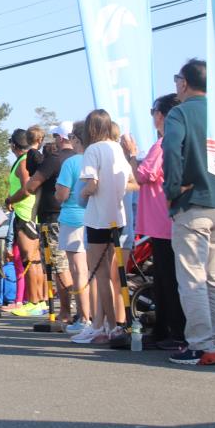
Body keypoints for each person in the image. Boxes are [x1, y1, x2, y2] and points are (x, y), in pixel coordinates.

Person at [162, 59, 215, 366]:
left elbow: (171, 150)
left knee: (192, 276)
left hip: (193, 202)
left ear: (184, 83)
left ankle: (200, 345)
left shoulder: (180, 113)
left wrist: (172, 189)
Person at [120, 93, 187, 351]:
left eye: (153, 112)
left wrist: (131, 154)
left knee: (168, 281)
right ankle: (163, 329)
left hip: (163, 222)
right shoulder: (171, 142)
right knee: (161, 280)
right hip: (164, 221)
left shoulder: (163, 144)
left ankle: (173, 332)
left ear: (160, 115)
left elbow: (142, 175)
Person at [69, 110, 135, 344]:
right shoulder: (117, 148)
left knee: (100, 274)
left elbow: (92, 184)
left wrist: (82, 194)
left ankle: (108, 327)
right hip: (118, 216)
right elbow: (131, 181)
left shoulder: (92, 150)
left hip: (97, 218)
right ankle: (106, 324)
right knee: (110, 272)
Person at [22, 123, 76, 321]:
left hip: (53, 217)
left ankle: (66, 311)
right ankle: (84, 313)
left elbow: (31, 185)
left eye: (55, 136)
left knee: (59, 265)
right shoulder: (82, 158)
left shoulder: (55, 159)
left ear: (61, 138)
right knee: (78, 266)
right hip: (82, 217)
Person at [54, 122, 90, 333]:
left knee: (78, 271)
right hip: (95, 219)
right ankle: (97, 317)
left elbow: (62, 195)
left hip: (73, 219)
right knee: (96, 272)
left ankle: (84, 318)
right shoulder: (97, 158)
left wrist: (56, 192)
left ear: (76, 139)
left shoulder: (72, 162)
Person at [5, 128, 45, 316]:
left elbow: (27, 189)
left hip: (26, 214)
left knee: (29, 260)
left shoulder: (23, 162)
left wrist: (10, 200)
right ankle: (40, 301)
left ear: (14, 145)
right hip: (30, 214)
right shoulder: (26, 160)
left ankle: (34, 301)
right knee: (35, 260)